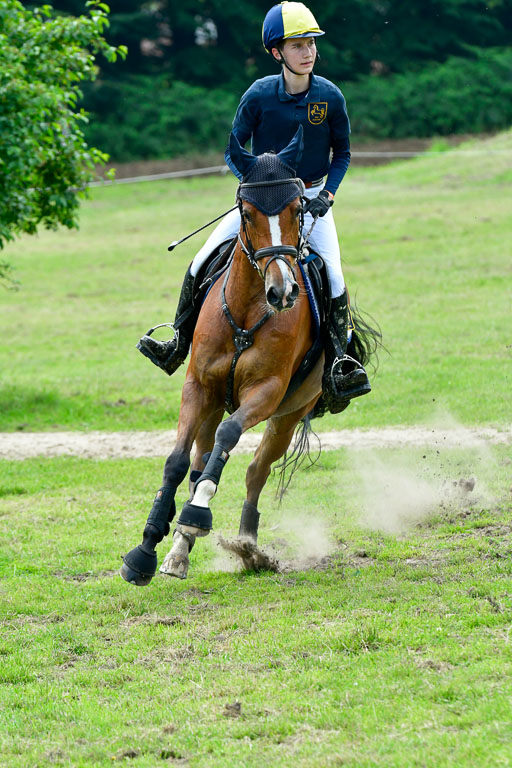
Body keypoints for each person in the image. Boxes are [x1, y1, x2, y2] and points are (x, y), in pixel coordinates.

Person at [138, 1, 371, 413]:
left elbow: (344, 154)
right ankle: (176, 342)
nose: (308, 52)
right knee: (200, 260)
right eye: (298, 45)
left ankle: (340, 366)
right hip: (262, 204)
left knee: (333, 276)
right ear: (276, 52)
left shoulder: (330, 96)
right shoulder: (259, 94)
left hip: (312, 200)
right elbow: (234, 150)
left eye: (311, 44)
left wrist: (327, 196)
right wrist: (251, 189)